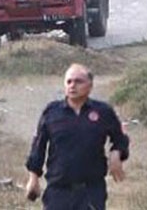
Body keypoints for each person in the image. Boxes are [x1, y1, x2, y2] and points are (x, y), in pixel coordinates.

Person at [24, 63, 129, 209]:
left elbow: (120, 137)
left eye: (78, 81)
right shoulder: (52, 112)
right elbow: (38, 146)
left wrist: (117, 153)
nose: (72, 86)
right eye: (69, 81)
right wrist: (33, 178)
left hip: (91, 190)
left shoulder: (103, 112)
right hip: (58, 190)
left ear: (90, 86)